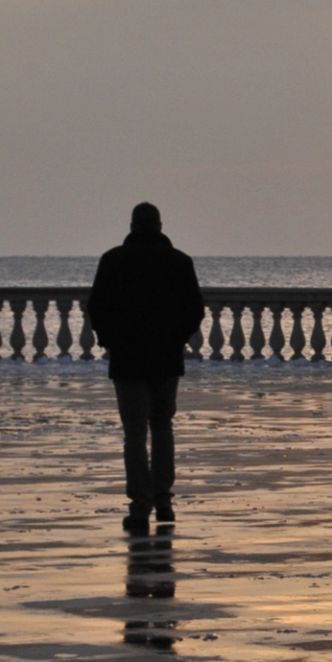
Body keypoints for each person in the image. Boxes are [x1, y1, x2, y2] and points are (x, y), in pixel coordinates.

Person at [87, 202, 204, 532]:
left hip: (127, 359)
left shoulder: (112, 261)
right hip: (166, 358)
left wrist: (109, 339)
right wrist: (177, 338)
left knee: (135, 434)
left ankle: (140, 506)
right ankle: (163, 500)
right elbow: (195, 309)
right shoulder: (179, 262)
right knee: (163, 427)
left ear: (132, 225)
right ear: (160, 226)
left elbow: (97, 307)